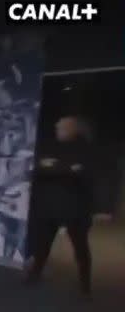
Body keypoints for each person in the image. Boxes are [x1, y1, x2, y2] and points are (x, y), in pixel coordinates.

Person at [25, 115, 94, 295]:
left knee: (80, 249)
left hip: (75, 209)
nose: (57, 128)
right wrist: (66, 169)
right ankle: (34, 275)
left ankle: (85, 286)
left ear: (72, 129)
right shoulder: (51, 145)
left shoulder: (85, 149)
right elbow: (38, 167)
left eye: (61, 127)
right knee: (42, 245)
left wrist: (54, 167)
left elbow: (82, 173)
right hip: (50, 207)